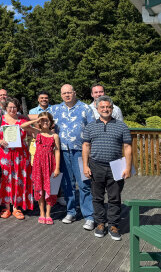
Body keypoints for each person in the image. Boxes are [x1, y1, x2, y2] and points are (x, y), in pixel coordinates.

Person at [82, 95, 132, 241]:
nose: (105, 109)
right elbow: (85, 146)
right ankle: (100, 224)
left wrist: (128, 167)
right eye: (102, 107)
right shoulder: (90, 126)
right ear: (97, 109)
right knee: (97, 198)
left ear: (112, 108)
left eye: (108, 107)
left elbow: (128, 147)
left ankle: (113, 225)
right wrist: (85, 165)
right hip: (96, 165)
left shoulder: (122, 126)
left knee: (115, 198)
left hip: (116, 165)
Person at [51, 84, 95, 230]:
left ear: (74, 93)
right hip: (62, 151)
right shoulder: (55, 109)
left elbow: (92, 129)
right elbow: (41, 120)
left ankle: (89, 216)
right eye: (64, 93)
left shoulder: (85, 108)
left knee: (84, 184)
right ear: (61, 95)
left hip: (80, 151)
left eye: (69, 92)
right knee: (67, 184)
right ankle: (71, 211)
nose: (67, 95)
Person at [0, 97, 35, 220]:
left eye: (14, 107)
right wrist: (0, 141)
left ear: (18, 108)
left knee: (19, 179)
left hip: (21, 155)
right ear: (5, 108)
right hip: (5, 155)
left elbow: (31, 132)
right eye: (10, 107)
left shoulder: (23, 119)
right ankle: (6, 207)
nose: (12, 109)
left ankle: (17, 207)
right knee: (6, 179)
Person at [31, 112, 61, 225]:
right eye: (42, 120)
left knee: (50, 190)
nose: (45, 122)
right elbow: (23, 126)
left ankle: (48, 214)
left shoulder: (54, 136)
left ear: (51, 122)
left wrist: (57, 167)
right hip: (38, 165)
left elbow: (57, 151)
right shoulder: (37, 133)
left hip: (50, 164)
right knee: (39, 189)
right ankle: (41, 213)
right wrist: (36, 121)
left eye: (47, 120)